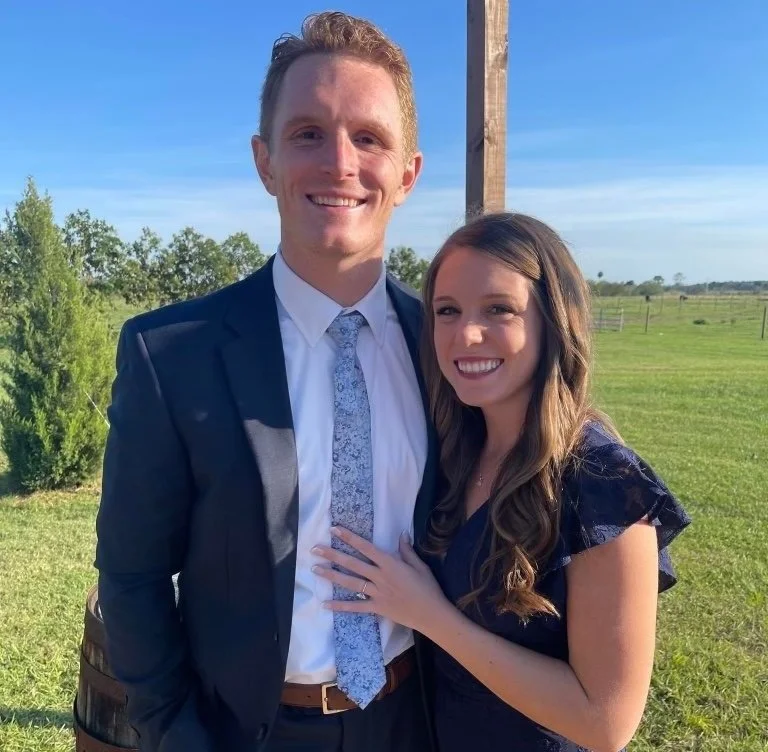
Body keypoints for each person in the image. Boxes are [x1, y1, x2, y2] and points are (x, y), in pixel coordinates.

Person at [95, 12, 438, 752]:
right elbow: (132, 580)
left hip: (423, 721)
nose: (340, 163)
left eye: (369, 138)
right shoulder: (170, 354)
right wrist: (178, 736)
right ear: (265, 162)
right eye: (307, 133)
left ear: (407, 173)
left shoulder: (446, 348)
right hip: (248, 733)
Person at [313, 212, 692, 751]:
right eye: (447, 311)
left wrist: (429, 615)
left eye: (499, 310)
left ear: (552, 321)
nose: (467, 335)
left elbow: (606, 722)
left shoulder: (603, 482)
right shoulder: (452, 453)